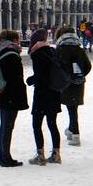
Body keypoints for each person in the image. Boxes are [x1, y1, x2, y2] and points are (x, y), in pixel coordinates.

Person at [25, 28, 62, 165]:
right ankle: (56, 154)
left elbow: (41, 76)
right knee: (52, 124)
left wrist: (31, 80)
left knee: (37, 124)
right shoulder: (52, 51)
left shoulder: (37, 54)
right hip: (54, 93)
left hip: (42, 94)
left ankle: (40, 155)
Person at [52, 25, 92, 147]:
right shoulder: (79, 49)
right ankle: (71, 130)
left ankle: (75, 134)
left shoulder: (60, 49)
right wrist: (79, 75)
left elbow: (56, 67)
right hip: (78, 83)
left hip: (65, 83)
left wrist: (63, 78)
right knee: (73, 108)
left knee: (71, 108)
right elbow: (88, 66)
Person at [0, 29, 28, 166]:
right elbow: (14, 77)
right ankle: (5, 158)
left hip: (4, 94)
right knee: (8, 126)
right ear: (14, 40)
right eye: (17, 40)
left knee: (4, 126)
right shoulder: (11, 54)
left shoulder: (3, 52)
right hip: (11, 95)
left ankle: (2, 155)